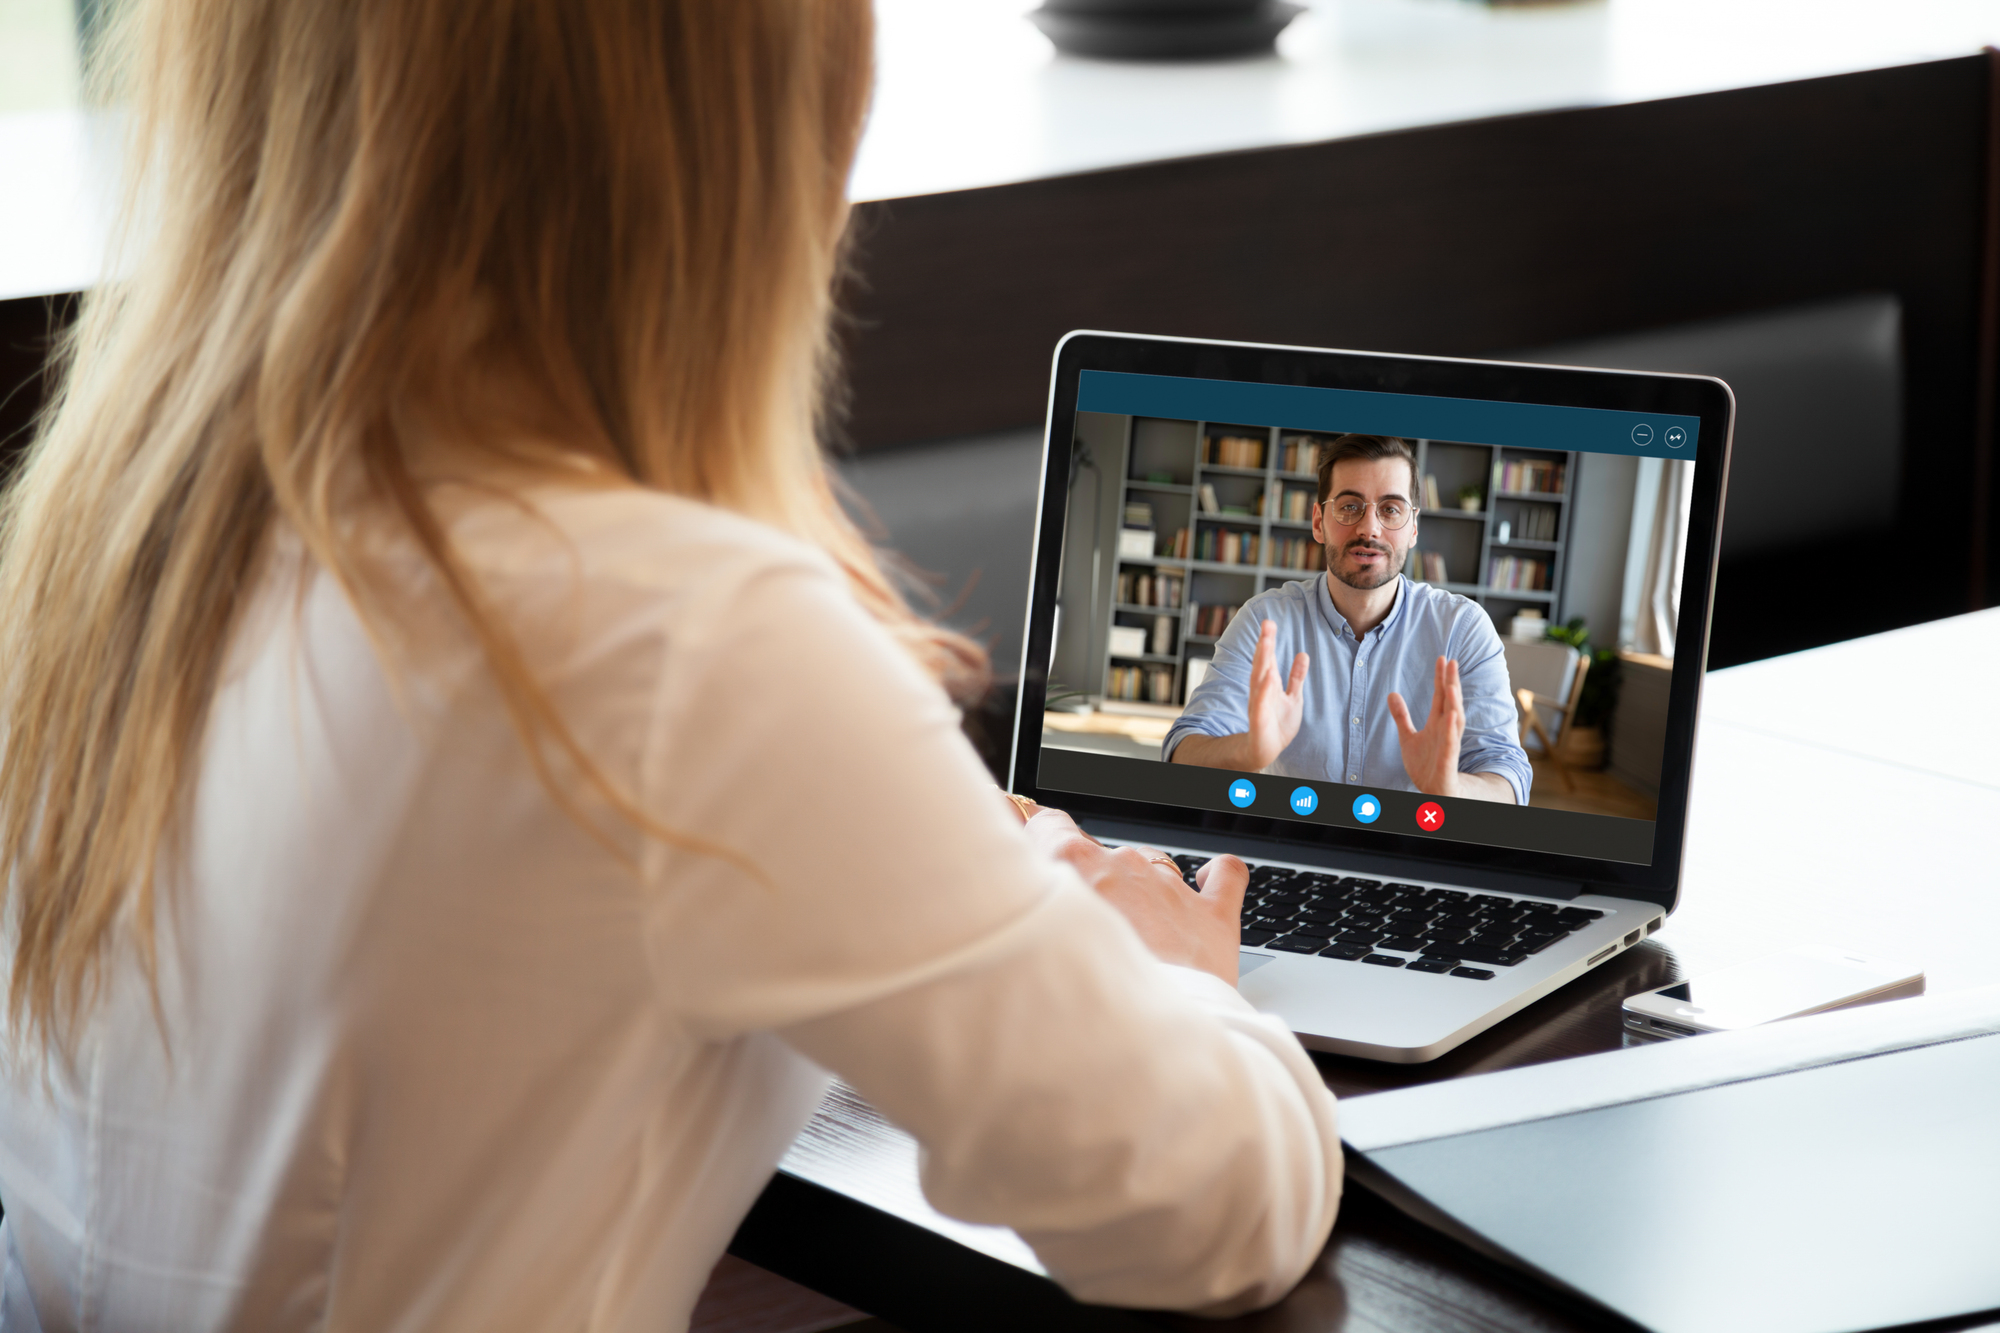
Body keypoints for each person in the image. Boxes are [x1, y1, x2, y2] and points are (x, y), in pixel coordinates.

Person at [0, 1, 1341, 1328]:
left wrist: (946, 893)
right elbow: (1206, 1209)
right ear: (742, 134)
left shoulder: (107, 552)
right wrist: (1166, 980)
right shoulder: (682, 641)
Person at [1165, 435, 1530, 804]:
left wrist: (1450, 787)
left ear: (1414, 527)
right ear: (1319, 522)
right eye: (1350, 506)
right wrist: (1247, 752)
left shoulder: (1464, 629)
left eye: (1390, 509)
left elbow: (1508, 781)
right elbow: (1182, 751)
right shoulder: (1265, 621)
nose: (1369, 529)